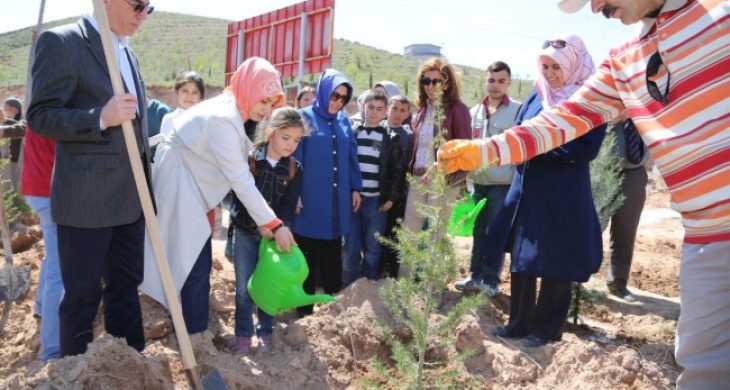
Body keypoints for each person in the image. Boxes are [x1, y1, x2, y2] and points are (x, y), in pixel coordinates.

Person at [439, 1, 728, 387]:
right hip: (705, 240)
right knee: (704, 368)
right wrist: (484, 150)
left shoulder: (719, 16)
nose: (594, 7)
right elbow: (564, 120)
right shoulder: (625, 61)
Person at [27, 0, 154, 357]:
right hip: (86, 201)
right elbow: (41, 116)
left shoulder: (127, 52)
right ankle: (76, 373)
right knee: (82, 298)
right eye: (139, 5)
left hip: (131, 200)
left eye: (150, 8)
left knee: (126, 290)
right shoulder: (62, 42)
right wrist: (100, 116)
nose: (144, 15)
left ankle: (129, 369)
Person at [138, 57, 296, 342]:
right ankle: (194, 335)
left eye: (272, 103)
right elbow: (240, 179)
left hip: (191, 188)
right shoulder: (223, 118)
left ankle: (190, 327)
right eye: (264, 101)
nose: (267, 110)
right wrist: (274, 223)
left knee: (192, 260)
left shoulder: (233, 111)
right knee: (194, 262)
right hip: (179, 185)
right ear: (248, 89)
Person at [486, 35, 606, 347]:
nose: (551, 73)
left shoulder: (588, 101)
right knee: (523, 258)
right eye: (546, 65)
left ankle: (546, 329)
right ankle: (518, 324)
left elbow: (586, 147)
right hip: (527, 189)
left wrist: (537, 149)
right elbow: (520, 132)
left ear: (574, 65)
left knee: (558, 260)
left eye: (557, 66)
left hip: (563, 193)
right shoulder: (536, 96)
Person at [228, 107, 307, 356]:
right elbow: (239, 200)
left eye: (296, 140)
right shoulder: (249, 160)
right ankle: (243, 334)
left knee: (269, 285)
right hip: (245, 233)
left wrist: (275, 228)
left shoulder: (295, 169)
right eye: (286, 138)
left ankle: (265, 331)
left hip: (274, 239)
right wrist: (261, 223)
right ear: (271, 132)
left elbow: (287, 205)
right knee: (244, 286)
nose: (290, 145)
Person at [293, 69, 362, 316]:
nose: (338, 102)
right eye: (334, 95)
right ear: (323, 92)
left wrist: (355, 187)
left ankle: (332, 311)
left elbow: (351, 156)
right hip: (311, 200)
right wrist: (295, 193)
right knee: (308, 258)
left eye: (343, 98)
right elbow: (295, 158)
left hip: (336, 201)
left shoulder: (343, 120)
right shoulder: (304, 117)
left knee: (333, 255)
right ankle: (304, 312)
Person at [454, 61, 521, 295]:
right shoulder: (473, 112)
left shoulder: (517, 111)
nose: (495, 85)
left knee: (496, 232)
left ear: (509, 82)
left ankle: (490, 281)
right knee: (478, 231)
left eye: (501, 81)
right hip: (478, 183)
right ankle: (474, 277)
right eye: (491, 80)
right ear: (485, 81)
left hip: (502, 184)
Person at [342, 91, 405, 286]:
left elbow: (397, 170)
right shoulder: (353, 133)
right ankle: (348, 286)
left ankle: (368, 285)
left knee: (373, 246)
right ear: (363, 107)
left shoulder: (390, 138)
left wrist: (391, 198)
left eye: (379, 109)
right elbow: (346, 165)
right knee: (351, 246)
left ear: (385, 112)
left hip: (377, 201)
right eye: (371, 107)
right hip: (353, 199)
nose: (374, 112)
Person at [403, 57, 471, 236]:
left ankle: (435, 266)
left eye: (437, 81)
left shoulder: (458, 109)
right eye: (426, 81)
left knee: (436, 237)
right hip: (417, 179)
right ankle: (406, 267)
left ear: (447, 84)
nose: (430, 86)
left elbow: (464, 148)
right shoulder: (421, 111)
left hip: (444, 180)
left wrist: (441, 168)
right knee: (409, 235)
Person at [19, 123, 59, 364]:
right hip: (50, 192)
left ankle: (42, 308)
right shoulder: (56, 109)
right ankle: (52, 351)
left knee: (52, 257)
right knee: (60, 272)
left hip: (37, 190)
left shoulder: (41, 104)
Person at [606, 118, 649, 302]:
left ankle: (617, 282)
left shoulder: (644, 99)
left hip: (634, 171)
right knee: (588, 227)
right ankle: (575, 283)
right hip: (603, 169)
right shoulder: (604, 96)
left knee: (626, 228)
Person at [379, 95, 414, 278]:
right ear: (387, 109)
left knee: (394, 234)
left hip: (398, 195)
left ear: (408, 114)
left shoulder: (408, 136)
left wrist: (395, 195)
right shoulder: (377, 129)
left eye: (403, 110)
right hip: (376, 191)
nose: (398, 113)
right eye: (395, 108)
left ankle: (392, 273)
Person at [159, 71, 205, 137]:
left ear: (201, 95)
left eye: (194, 92)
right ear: (177, 92)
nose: (189, 96)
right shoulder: (169, 119)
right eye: (185, 91)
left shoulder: (205, 120)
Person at [2, 97, 25, 191]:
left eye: (6, 107)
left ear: (14, 109)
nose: (4, 109)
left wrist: (5, 120)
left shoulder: (21, 122)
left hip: (17, 160)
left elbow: (19, 128)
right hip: (8, 159)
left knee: (15, 186)